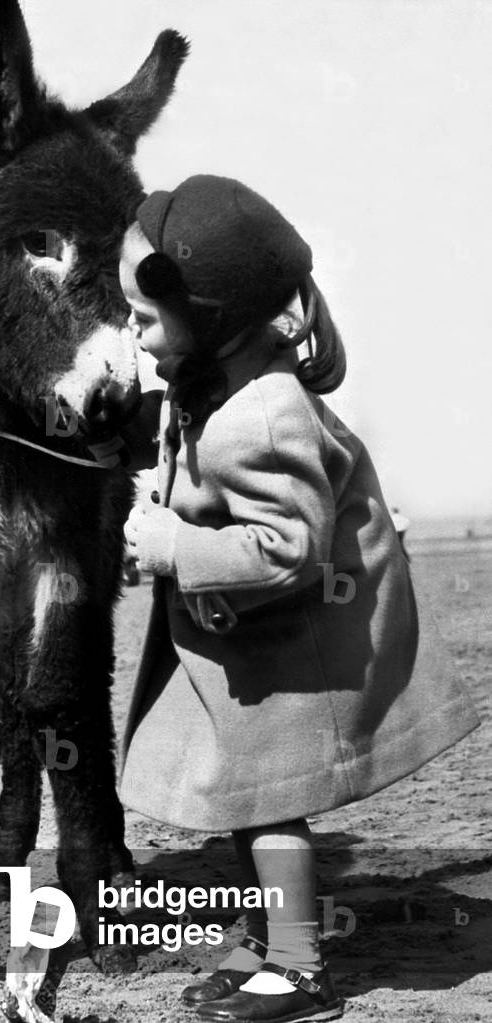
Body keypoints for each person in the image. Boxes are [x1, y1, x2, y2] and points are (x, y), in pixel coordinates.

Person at [118, 175, 480, 1023]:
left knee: (271, 802)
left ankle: (300, 966)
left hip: (295, 642)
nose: (129, 331)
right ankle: (267, 944)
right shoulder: (217, 386)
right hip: (253, 643)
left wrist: (175, 546)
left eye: (141, 314)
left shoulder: (264, 413)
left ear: (208, 318)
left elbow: (288, 548)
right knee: (248, 805)